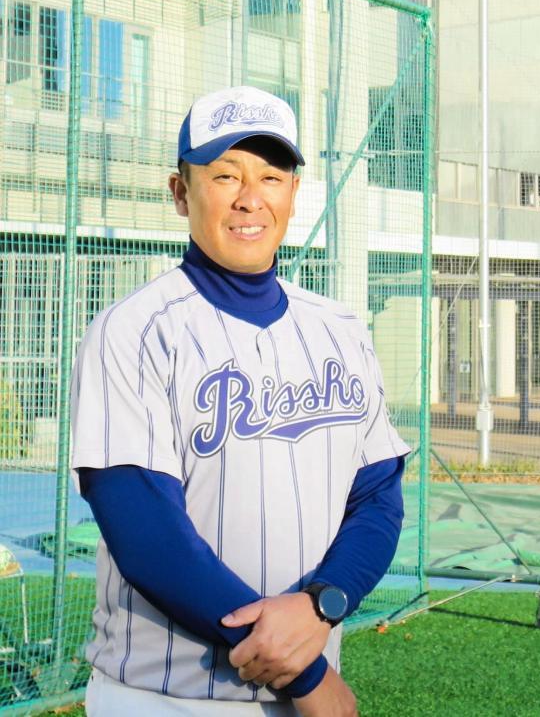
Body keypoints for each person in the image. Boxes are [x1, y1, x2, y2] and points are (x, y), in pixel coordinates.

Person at [71, 86, 410, 716]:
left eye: (271, 177)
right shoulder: (133, 330)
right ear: (181, 192)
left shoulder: (341, 329)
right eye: (225, 175)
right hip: (165, 696)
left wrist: (323, 603)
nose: (250, 198)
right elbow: (145, 531)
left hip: (300, 689)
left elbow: (378, 497)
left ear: (293, 194)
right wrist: (308, 675)